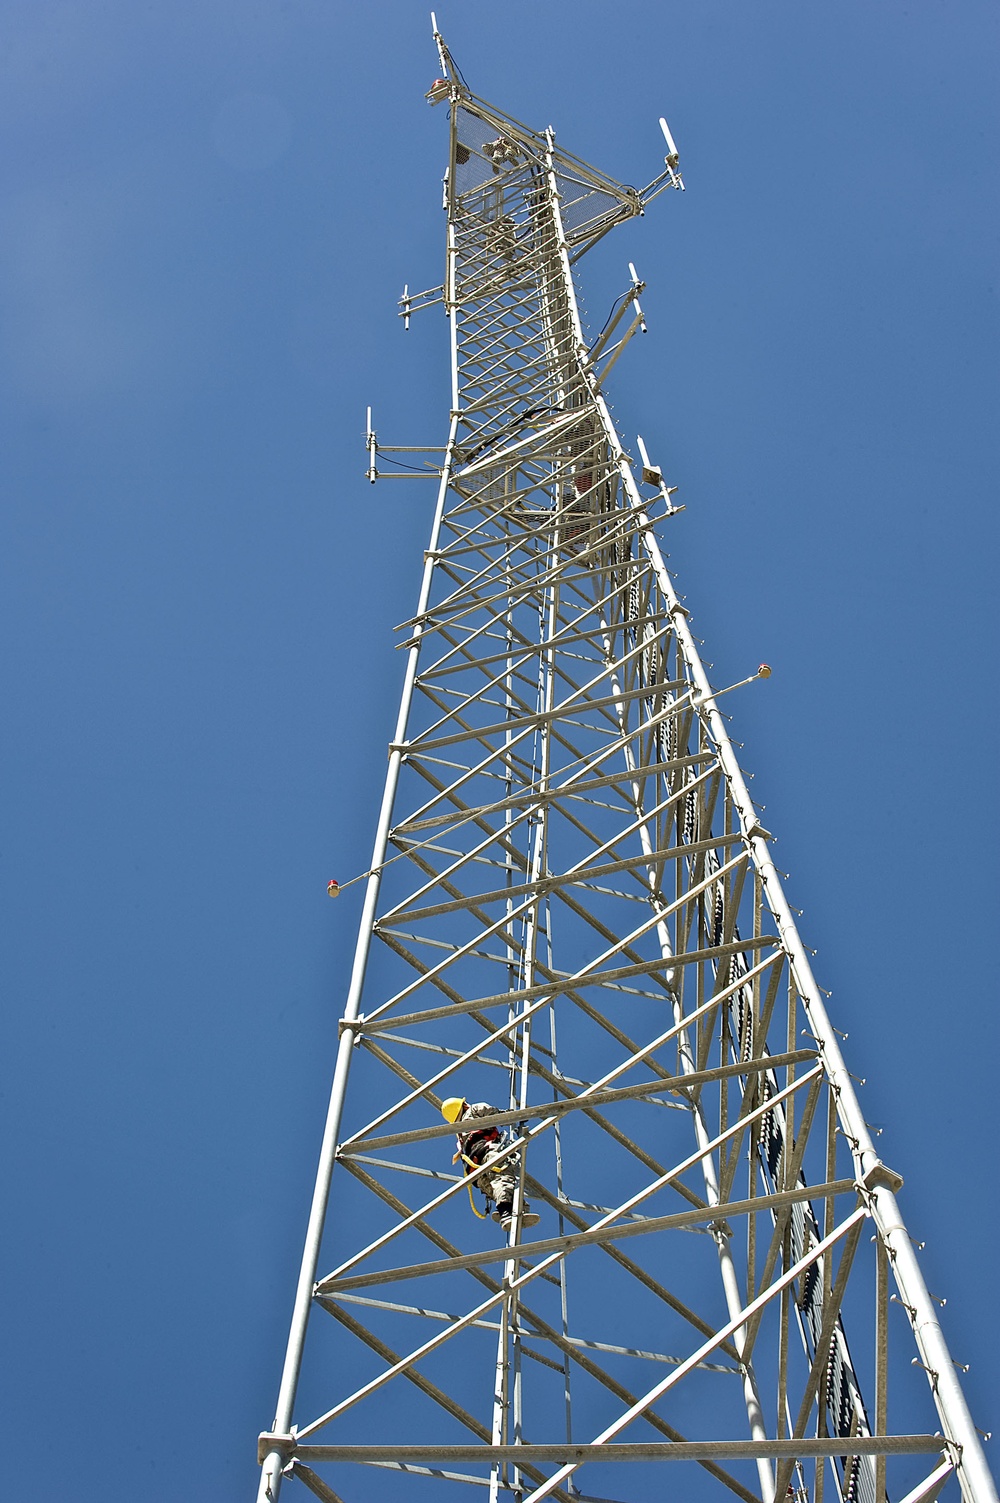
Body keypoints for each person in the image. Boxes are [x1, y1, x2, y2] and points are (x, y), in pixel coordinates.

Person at [441, 1097, 540, 1233]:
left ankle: (513, 1210)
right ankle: (506, 1212)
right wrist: (513, 1116)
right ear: (463, 1105)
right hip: (488, 1153)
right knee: (504, 1178)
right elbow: (496, 1115)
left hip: (475, 1172)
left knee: (495, 1188)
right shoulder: (474, 1109)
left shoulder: (460, 1134)